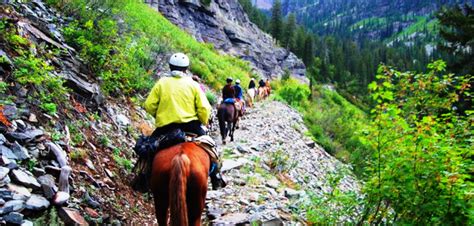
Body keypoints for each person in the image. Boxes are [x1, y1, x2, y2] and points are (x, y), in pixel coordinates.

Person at [143, 52, 226, 189]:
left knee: (147, 151)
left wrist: (160, 115)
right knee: (212, 149)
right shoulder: (193, 84)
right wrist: (203, 121)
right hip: (192, 127)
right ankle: (216, 176)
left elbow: (149, 105)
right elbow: (204, 108)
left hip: (166, 127)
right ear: (186, 68)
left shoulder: (161, 83)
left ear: (170, 67)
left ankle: (144, 179)